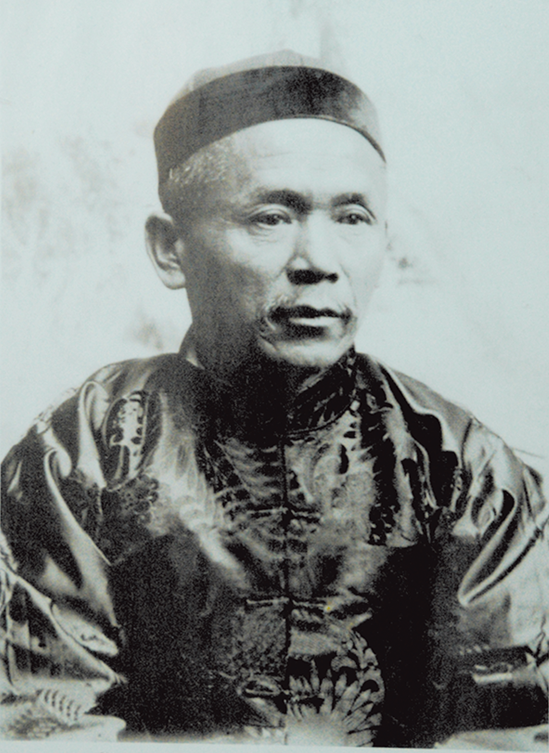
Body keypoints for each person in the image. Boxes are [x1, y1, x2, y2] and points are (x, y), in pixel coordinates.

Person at [1, 51, 548, 747]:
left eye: (352, 217)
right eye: (270, 217)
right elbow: (42, 723)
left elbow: (508, 730)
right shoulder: (86, 451)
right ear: (170, 249)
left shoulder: (461, 467)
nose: (318, 260)